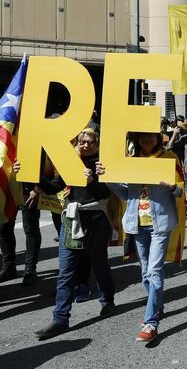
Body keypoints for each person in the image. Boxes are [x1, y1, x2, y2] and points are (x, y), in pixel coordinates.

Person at [20, 128, 117, 340]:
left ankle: (107, 302)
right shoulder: (70, 162)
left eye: (90, 141)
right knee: (66, 271)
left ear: (98, 144)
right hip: (72, 218)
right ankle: (60, 319)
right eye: (82, 141)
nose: (85, 145)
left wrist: (93, 180)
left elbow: (107, 193)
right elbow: (55, 186)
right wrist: (29, 174)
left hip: (97, 219)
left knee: (99, 264)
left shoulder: (104, 163)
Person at [96, 132, 183, 343]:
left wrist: (172, 187)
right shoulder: (131, 160)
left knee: (154, 271)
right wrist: (108, 179)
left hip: (160, 224)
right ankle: (158, 305)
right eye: (141, 136)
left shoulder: (169, 158)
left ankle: (151, 322)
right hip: (137, 225)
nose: (146, 139)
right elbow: (126, 194)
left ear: (157, 137)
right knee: (145, 272)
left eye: (150, 136)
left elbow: (181, 191)